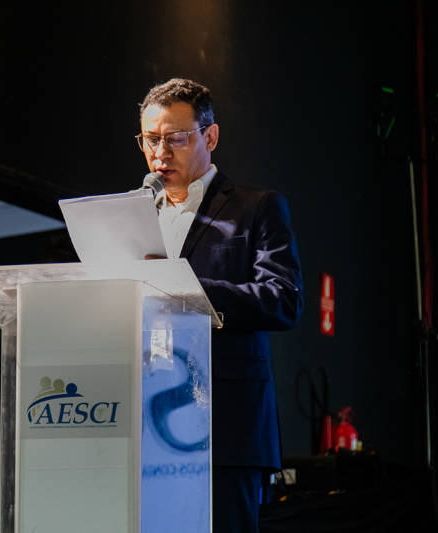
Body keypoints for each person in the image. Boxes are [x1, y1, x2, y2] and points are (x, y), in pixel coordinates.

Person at [137, 78, 304, 532]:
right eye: (150, 140)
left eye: (175, 138)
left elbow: (283, 299)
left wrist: (184, 289)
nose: (160, 153)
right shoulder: (135, 216)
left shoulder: (257, 207)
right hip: (141, 422)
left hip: (225, 426)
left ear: (209, 136)